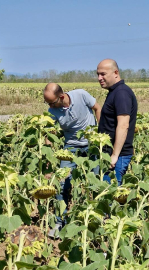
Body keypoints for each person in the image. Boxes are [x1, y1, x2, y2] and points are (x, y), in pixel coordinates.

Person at [43, 83, 101, 237]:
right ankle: (59, 222)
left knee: (96, 182)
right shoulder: (52, 111)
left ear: (61, 97)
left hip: (91, 144)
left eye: (51, 102)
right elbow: (50, 132)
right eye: (47, 103)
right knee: (62, 183)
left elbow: (97, 108)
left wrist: (99, 133)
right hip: (70, 147)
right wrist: (48, 155)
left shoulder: (81, 95)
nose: (49, 106)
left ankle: (98, 220)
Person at [97, 59, 137, 186]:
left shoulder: (121, 93)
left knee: (112, 195)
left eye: (103, 74)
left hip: (118, 156)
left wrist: (114, 155)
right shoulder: (115, 92)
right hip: (112, 154)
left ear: (115, 72)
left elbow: (124, 125)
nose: (99, 78)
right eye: (97, 74)